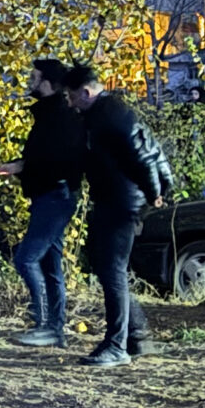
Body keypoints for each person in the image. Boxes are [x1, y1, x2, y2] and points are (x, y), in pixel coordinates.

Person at [73, 66, 172, 368]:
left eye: (71, 96)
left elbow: (139, 152)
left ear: (86, 92)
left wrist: (154, 190)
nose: (70, 102)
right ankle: (136, 335)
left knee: (112, 269)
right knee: (108, 267)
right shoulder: (105, 111)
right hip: (118, 198)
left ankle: (117, 345)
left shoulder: (109, 113)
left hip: (122, 200)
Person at [0, 59, 86, 347]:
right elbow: (47, 157)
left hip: (54, 195)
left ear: (47, 83)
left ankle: (45, 325)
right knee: (50, 264)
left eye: (34, 77)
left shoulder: (57, 115)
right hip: (54, 194)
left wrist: (25, 167)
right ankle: (54, 328)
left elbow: (56, 160)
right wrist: (20, 166)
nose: (29, 82)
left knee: (26, 258)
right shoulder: (53, 114)